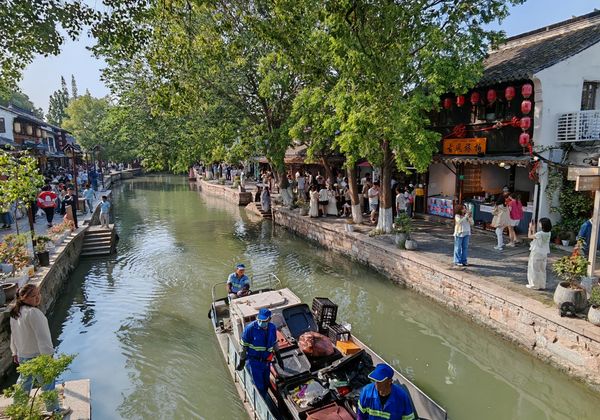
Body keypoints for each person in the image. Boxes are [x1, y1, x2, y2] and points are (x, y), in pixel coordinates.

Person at [9, 285, 71, 416]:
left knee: (23, 384)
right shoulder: (34, 313)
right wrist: (48, 356)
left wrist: (14, 352)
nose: (38, 298)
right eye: (33, 296)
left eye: (38, 294)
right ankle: (54, 410)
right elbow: (43, 337)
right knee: (48, 383)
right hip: (38, 355)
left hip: (23, 355)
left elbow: (13, 335)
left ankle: (18, 411)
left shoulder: (16, 312)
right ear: (23, 298)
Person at [236, 308, 277, 395]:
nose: (261, 322)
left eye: (264, 321)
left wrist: (279, 356)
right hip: (254, 362)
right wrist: (242, 361)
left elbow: (274, 342)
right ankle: (262, 399)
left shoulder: (272, 328)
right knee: (259, 386)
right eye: (259, 320)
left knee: (266, 382)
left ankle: (265, 393)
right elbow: (243, 347)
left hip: (266, 362)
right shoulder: (250, 329)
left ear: (269, 319)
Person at [527, 218, 552, 290]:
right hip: (544, 253)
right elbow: (536, 236)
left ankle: (534, 285)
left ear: (543, 225)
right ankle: (542, 285)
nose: (539, 224)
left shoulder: (540, 234)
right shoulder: (548, 233)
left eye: (540, 223)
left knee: (534, 269)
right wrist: (533, 229)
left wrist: (530, 229)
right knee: (542, 269)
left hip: (536, 253)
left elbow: (530, 236)